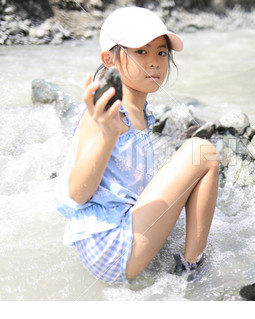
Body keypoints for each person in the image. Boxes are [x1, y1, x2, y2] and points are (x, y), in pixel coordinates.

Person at [56, 7, 219, 284]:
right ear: (109, 59)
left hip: (113, 240)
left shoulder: (139, 112)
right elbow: (76, 193)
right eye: (141, 52)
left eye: (161, 52)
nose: (154, 62)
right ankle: (192, 269)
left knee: (191, 163)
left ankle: (187, 262)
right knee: (202, 152)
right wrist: (107, 137)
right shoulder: (106, 113)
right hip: (110, 246)